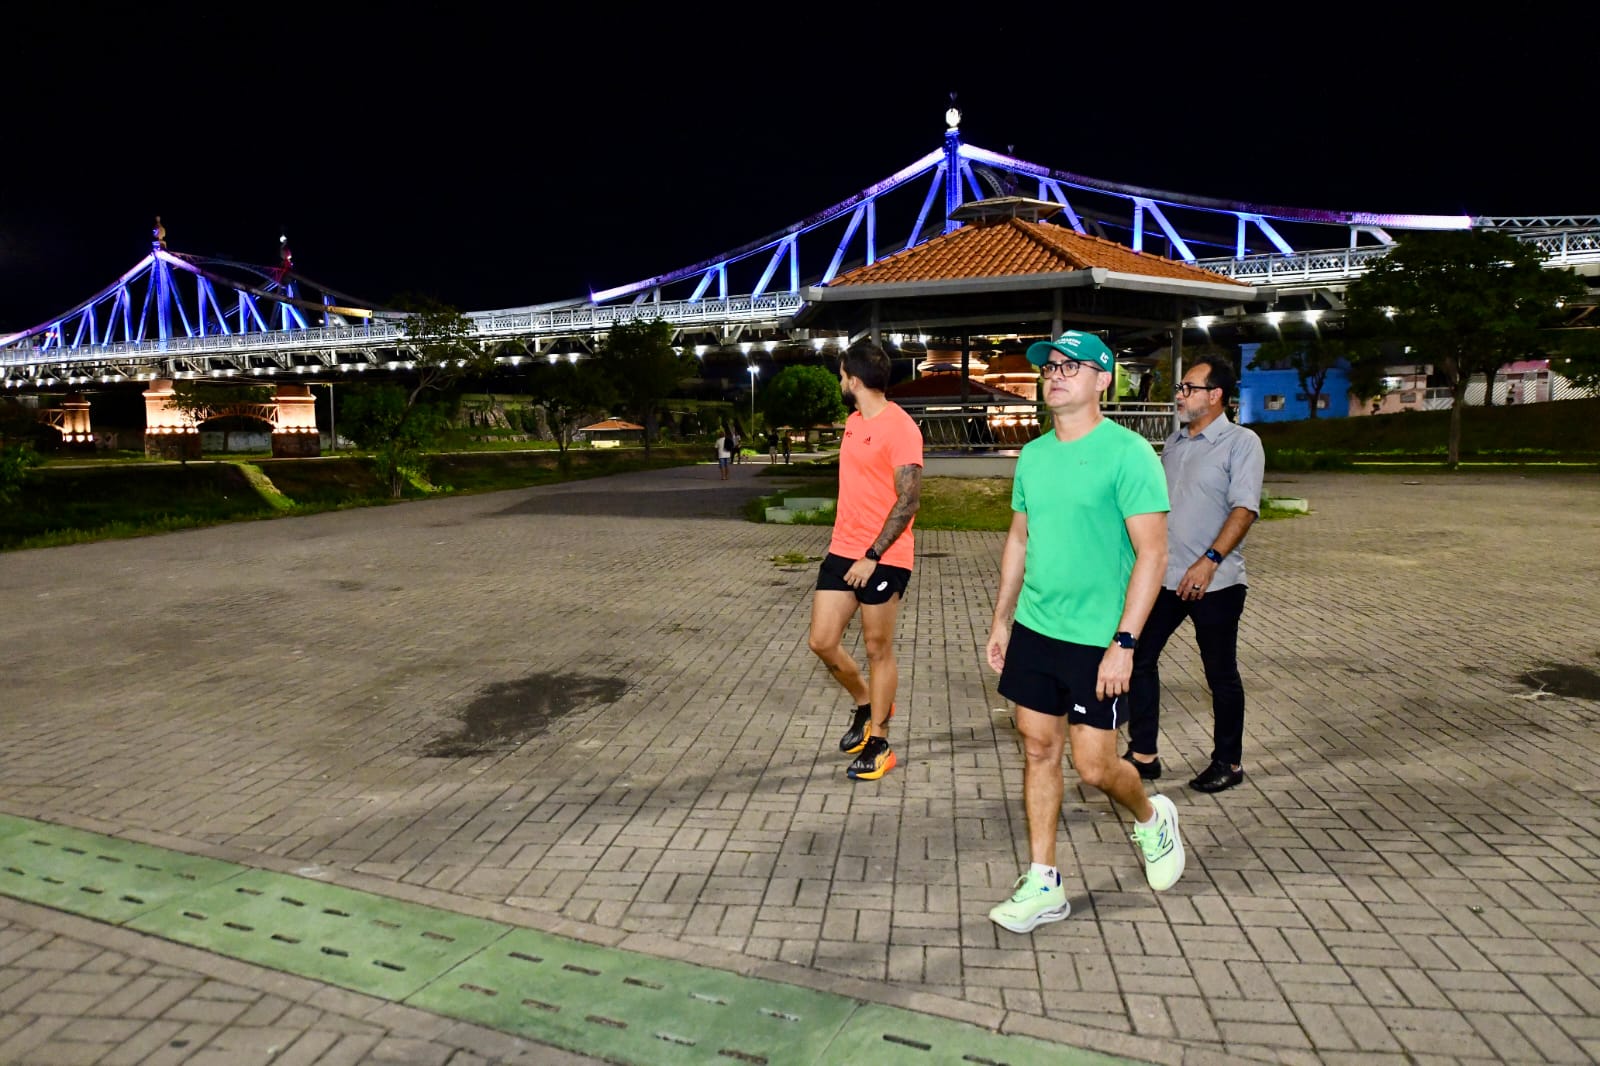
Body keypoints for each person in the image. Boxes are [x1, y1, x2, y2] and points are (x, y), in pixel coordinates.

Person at [985, 330, 1184, 935]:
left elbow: (1153, 554)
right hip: (1037, 628)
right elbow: (1020, 539)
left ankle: (1151, 819)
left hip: (1100, 638)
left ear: (1104, 381)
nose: (1057, 375)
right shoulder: (1034, 455)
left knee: (1094, 767)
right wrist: (1001, 617)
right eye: (1051, 367)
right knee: (1037, 748)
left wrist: (1124, 643)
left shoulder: (1129, 455)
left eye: (1075, 367)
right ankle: (1043, 881)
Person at [1126, 354, 1264, 794]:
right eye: (1181, 389)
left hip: (1216, 582)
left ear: (1216, 395)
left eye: (1188, 388)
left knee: (1219, 673)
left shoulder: (1242, 443)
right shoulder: (1175, 443)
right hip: (1165, 579)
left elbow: (1245, 509)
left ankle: (1229, 761)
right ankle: (1143, 754)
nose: (1179, 396)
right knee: (1139, 659)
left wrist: (1210, 560)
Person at [807, 344, 922, 781]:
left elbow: (908, 501)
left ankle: (880, 740)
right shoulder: (854, 424)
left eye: (840, 376)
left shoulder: (901, 428)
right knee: (821, 641)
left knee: (877, 648)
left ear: (853, 380)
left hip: (884, 555)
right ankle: (866, 702)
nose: (839, 383)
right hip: (842, 549)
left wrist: (872, 556)